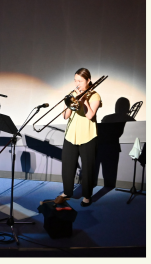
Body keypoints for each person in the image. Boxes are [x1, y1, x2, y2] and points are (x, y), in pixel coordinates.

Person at [56, 68, 102, 207]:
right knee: (67, 166)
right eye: (75, 80)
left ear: (88, 80)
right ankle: (67, 192)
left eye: (80, 81)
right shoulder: (72, 94)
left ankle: (87, 195)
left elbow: (90, 115)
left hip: (88, 136)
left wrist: (84, 100)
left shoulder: (95, 95)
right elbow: (65, 116)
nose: (77, 83)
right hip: (71, 135)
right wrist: (71, 101)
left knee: (88, 168)